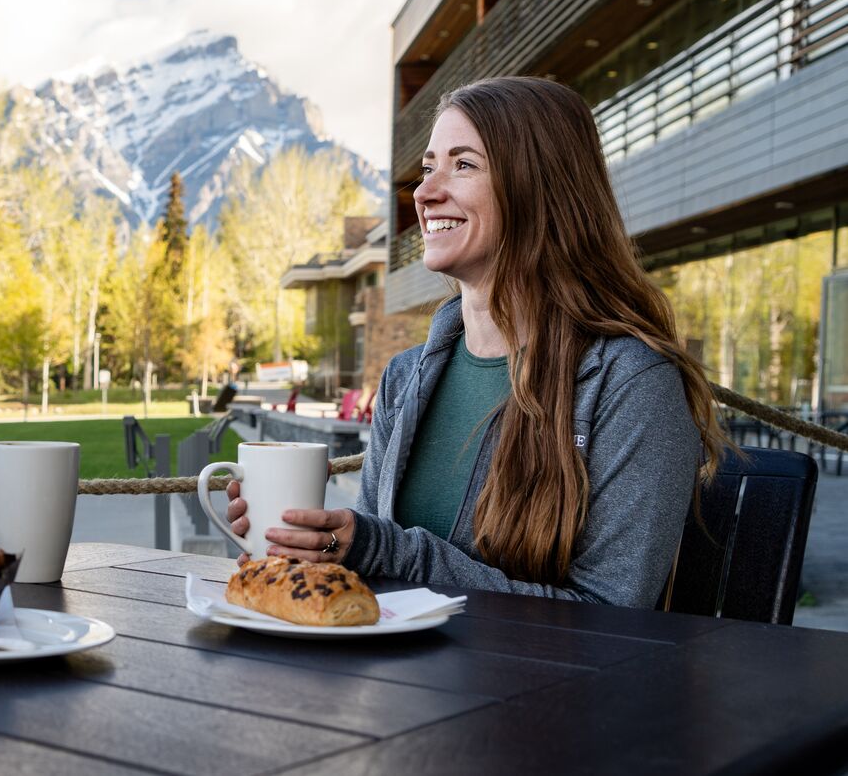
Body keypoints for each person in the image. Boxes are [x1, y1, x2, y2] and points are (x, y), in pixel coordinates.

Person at [226, 76, 725, 608]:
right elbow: (374, 566)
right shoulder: (406, 376)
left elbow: (611, 616)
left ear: (541, 187)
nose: (423, 193)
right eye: (428, 167)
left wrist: (384, 549)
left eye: (463, 165)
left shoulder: (632, 383)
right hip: (398, 682)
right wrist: (311, 547)